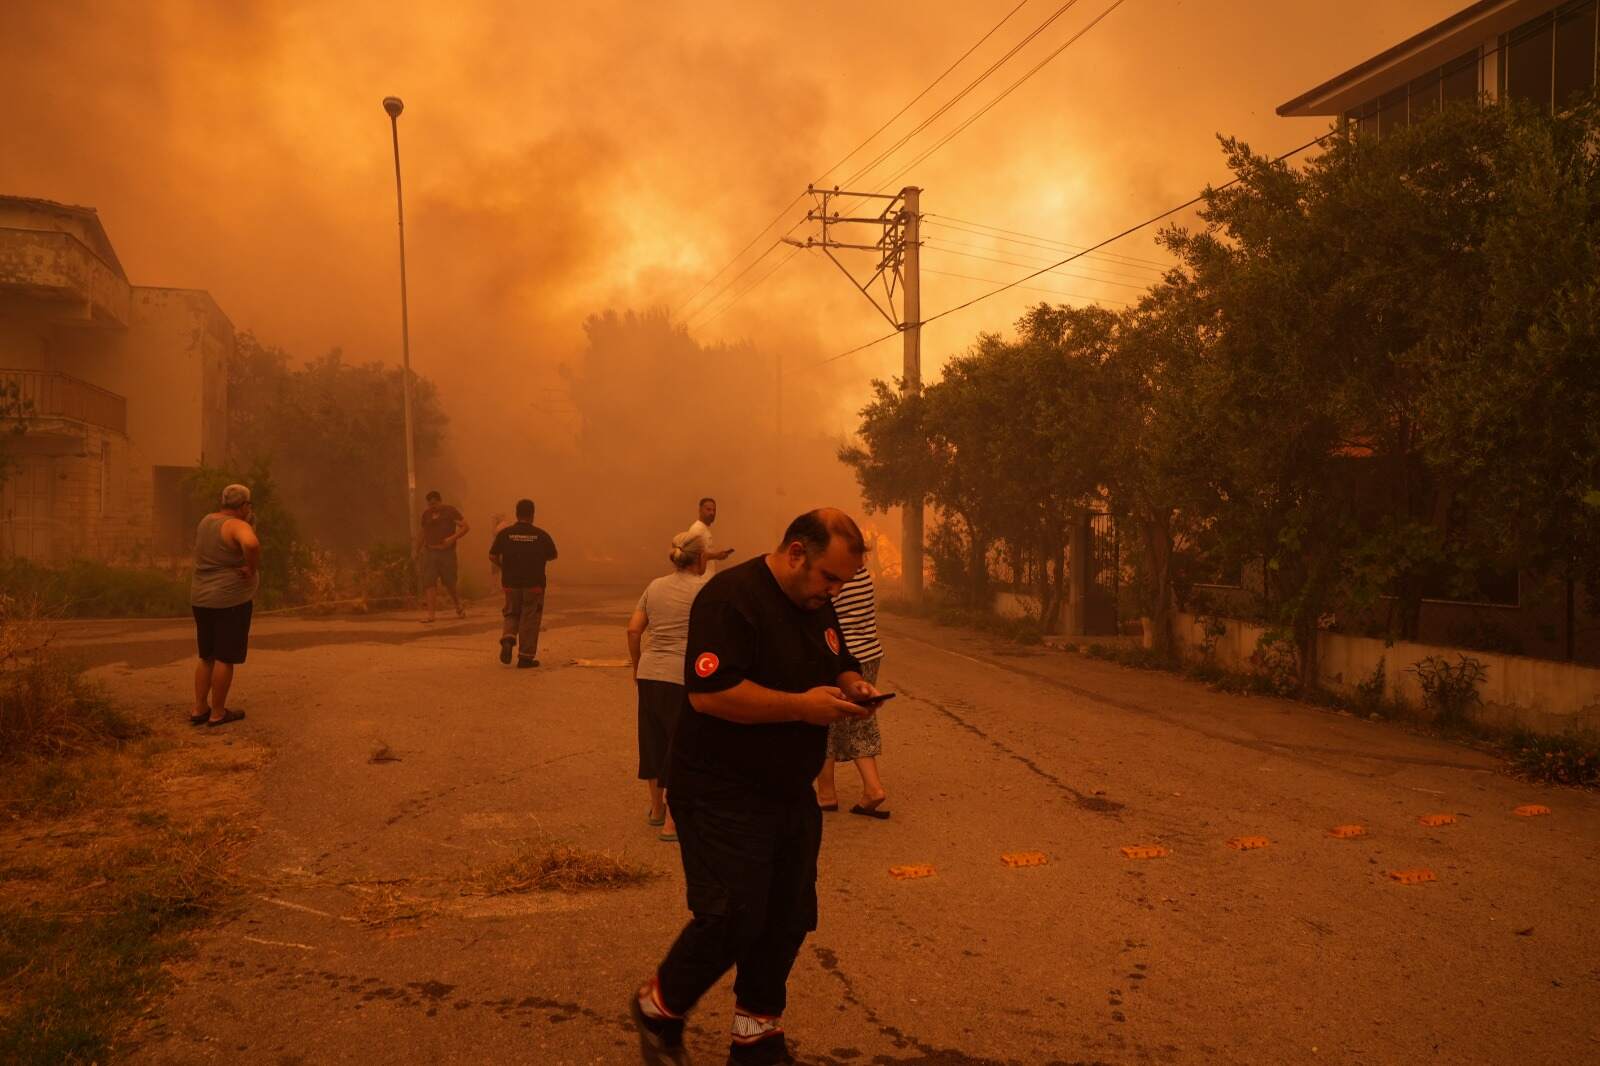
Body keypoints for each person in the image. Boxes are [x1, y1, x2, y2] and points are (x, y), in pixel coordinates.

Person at [631, 508, 881, 1066]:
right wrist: (801, 706)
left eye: (843, 581)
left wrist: (853, 685)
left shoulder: (817, 603)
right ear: (796, 552)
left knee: (788, 914)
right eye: (829, 578)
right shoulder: (730, 598)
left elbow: (835, 658)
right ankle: (658, 1005)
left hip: (788, 788)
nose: (834, 591)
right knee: (733, 914)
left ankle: (755, 1031)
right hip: (720, 787)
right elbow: (709, 694)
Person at [625, 529, 709, 844]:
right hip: (682, 676)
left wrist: (637, 668)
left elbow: (634, 631)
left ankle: (657, 809)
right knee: (681, 744)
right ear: (700, 558)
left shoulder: (654, 586)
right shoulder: (705, 589)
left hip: (650, 673)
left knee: (653, 740)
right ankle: (673, 822)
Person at [814, 565, 889, 818]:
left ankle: (826, 794)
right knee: (861, 719)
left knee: (826, 720)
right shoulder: (864, 573)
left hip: (840, 657)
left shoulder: (832, 577)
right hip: (869, 653)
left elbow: (822, 617)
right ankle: (873, 788)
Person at [189, 483, 261, 728]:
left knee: (206, 656)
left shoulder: (206, 521)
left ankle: (199, 708)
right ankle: (218, 712)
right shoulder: (238, 525)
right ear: (243, 506)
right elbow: (251, 544)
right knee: (224, 657)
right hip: (229, 601)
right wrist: (251, 568)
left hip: (201, 598)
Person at [487, 499, 557, 668]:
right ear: (532, 515)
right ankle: (525, 657)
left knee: (511, 612)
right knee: (529, 617)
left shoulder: (505, 534)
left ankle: (508, 638)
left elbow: (492, 555)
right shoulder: (541, 535)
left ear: (517, 514)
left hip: (510, 582)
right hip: (534, 584)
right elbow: (552, 555)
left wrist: (504, 567)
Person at [418, 489, 469, 623]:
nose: (432, 506)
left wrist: (453, 538)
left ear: (440, 501)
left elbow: (465, 527)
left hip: (447, 553)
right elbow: (423, 532)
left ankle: (458, 605)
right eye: (430, 504)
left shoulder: (450, 511)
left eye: (434, 503)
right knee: (429, 582)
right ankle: (431, 615)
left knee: (450, 583)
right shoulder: (426, 514)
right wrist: (416, 550)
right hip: (430, 552)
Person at [686, 497, 736, 576]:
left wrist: (717, 555)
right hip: (700, 577)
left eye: (714, 510)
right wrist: (717, 555)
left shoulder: (704, 528)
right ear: (700, 510)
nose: (712, 513)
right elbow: (694, 555)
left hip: (707, 576)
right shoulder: (697, 529)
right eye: (708, 509)